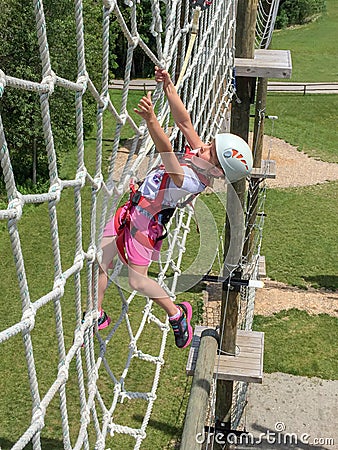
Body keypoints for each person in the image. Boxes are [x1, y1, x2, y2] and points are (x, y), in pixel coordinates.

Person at [93, 66, 253, 349]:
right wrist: (168, 86)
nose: (203, 148)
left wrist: (152, 120)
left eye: (209, 152)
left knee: (138, 282)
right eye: (209, 145)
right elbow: (185, 122)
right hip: (130, 210)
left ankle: (177, 314)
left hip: (145, 227)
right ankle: (96, 313)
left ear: (216, 172)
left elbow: (167, 152)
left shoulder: (191, 180)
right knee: (101, 259)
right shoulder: (201, 157)